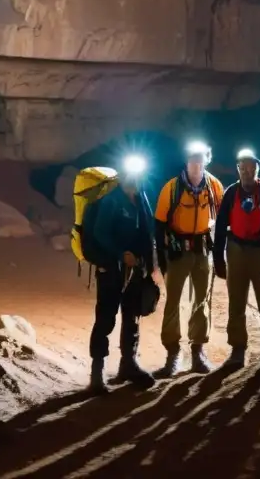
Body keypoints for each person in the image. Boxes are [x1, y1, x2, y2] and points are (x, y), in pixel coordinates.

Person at [154, 140, 225, 377]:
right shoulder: (172, 188)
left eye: (200, 157)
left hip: (202, 250)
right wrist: (162, 257)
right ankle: (173, 353)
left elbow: (222, 221)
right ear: (186, 159)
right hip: (178, 250)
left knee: (201, 301)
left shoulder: (214, 186)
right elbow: (159, 223)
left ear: (207, 158)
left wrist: (219, 251)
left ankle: (197, 351)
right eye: (193, 157)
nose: (196, 161)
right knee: (173, 301)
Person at [87, 167, 157, 393]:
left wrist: (149, 264)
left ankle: (128, 364)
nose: (136, 178)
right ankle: (97, 373)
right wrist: (120, 254)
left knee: (132, 318)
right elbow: (99, 232)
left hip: (135, 269)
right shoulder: (111, 200)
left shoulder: (141, 199)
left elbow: (147, 232)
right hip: (112, 268)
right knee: (106, 318)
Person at [214, 148, 260, 369]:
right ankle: (237, 349)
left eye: (252, 167)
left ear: (258, 169)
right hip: (236, 250)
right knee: (237, 300)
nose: (248, 171)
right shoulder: (231, 193)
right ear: (238, 169)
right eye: (243, 167)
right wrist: (218, 258)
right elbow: (221, 226)